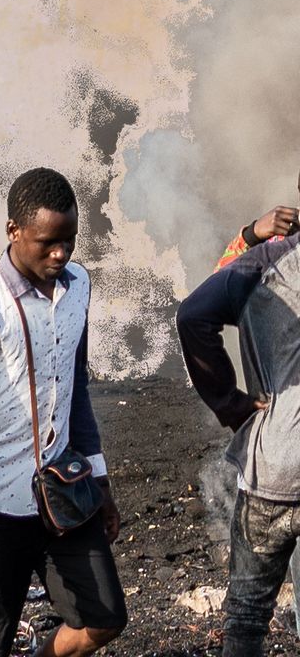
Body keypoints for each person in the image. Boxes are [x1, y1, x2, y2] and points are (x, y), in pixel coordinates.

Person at [0, 167, 127, 657]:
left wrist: (101, 483)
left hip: (61, 491)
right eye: (47, 242)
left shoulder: (79, 286)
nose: (61, 254)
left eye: (69, 240)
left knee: (105, 619)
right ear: (13, 231)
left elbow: (76, 385)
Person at [177, 226, 300, 657]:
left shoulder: (268, 262)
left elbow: (195, 312)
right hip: (276, 468)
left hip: (273, 470)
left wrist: (232, 405)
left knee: (245, 621)